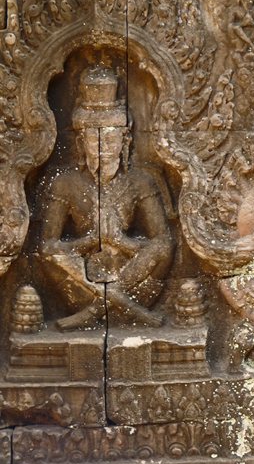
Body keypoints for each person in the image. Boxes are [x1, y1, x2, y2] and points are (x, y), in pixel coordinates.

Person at [41, 65, 173, 330]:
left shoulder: (141, 181)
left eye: (111, 141)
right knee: (50, 252)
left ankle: (99, 309)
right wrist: (91, 241)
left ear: (125, 141)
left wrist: (121, 242)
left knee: (162, 249)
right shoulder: (65, 183)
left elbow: (162, 242)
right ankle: (116, 305)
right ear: (81, 143)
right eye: (94, 141)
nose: (103, 149)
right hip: (81, 285)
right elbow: (48, 244)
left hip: (133, 280)